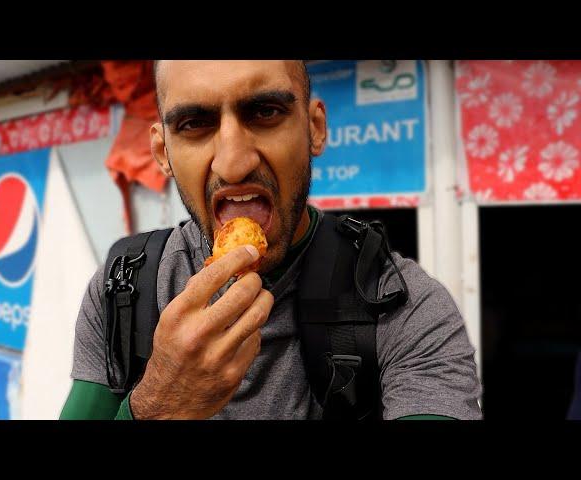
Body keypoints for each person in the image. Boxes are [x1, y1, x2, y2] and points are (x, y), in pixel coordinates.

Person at [60, 60, 482, 420]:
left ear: (314, 129)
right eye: (194, 124)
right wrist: (160, 404)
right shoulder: (122, 291)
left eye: (264, 112)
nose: (234, 163)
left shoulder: (401, 307)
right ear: (162, 152)